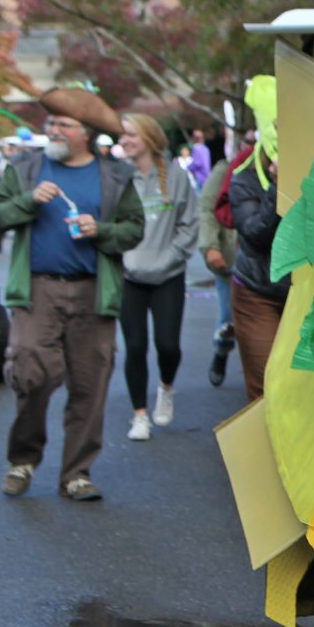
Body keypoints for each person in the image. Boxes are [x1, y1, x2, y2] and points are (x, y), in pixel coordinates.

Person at [0, 89, 145, 501]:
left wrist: (102, 231)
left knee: (90, 384)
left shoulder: (115, 177)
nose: (52, 130)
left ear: (86, 133)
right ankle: (22, 460)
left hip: (94, 291)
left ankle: (77, 473)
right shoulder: (23, 168)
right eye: (51, 122)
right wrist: (27, 201)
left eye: (62, 124)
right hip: (38, 288)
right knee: (32, 374)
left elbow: (133, 229)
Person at [116, 111, 199, 440]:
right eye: (122, 135)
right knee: (134, 346)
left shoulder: (176, 176)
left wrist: (170, 259)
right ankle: (139, 416)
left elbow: (189, 225)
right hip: (129, 276)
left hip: (168, 274)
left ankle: (166, 387)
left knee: (168, 347)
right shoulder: (119, 178)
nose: (124, 140)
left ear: (149, 139)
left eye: (130, 135)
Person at [227, 79, 286, 400]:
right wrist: (279, 187)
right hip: (258, 292)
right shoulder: (245, 179)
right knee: (267, 388)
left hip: (303, 292)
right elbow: (256, 237)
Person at [199, 151, 238, 386]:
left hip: (267, 259)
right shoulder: (227, 169)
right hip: (232, 259)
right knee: (229, 316)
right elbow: (207, 209)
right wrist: (211, 246)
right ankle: (221, 351)